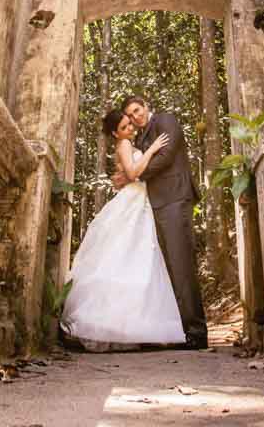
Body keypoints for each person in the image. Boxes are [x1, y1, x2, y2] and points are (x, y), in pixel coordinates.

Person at [59, 108, 185, 347]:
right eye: (125, 127)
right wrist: (152, 149)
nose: (130, 129)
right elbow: (134, 172)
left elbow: (127, 175)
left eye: (130, 124)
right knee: (125, 257)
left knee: (138, 260)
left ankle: (134, 326)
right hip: (132, 202)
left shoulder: (129, 143)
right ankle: (114, 326)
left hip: (140, 201)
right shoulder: (125, 145)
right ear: (116, 134)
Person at [113, 95, 208, 349]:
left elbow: (165, 157)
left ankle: (197, 332)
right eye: (130, 115)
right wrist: (127, 175)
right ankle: (180, 329)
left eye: (137, 110)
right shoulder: (142, 137)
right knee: (167, 269)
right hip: (153, 206)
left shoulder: (165, 120)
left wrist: (136, 175)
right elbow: (133, 166)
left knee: (182, 265)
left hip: (175, 199)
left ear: (145, 105)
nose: (135, 117)